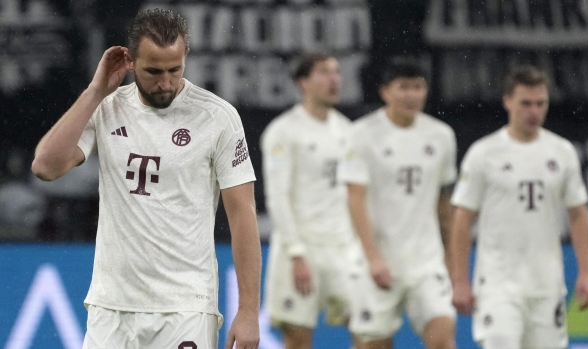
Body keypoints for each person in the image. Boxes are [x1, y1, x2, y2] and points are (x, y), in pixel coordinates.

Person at [31, 9, 261, 349]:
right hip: (112, 306)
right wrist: (96, 91)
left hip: (184, 306)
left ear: (186, 58)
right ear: (130, 60)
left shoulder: (217, 117)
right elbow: (46, 167)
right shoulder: (108, 107)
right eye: (153, 71)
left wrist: (248, 310)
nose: (165, 82)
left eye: (174, 70)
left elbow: (243, 216)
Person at [449, 65, 588, 349]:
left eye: (541, 104)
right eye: (526, 103)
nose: (534, 112)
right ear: (507, 101)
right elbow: (462, 219)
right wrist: (460, 280)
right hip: (497, 284)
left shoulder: (562, 152)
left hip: (546, 285)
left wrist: (586, 273)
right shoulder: (484, 153)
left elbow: (578, 214)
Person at [340, 59, 457, 349]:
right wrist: (373, 257)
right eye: (403, 87)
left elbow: (445, 206)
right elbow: (355, 198)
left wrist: (454, 265)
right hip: (377, 262)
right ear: (385, 92)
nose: (411, 95)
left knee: (443, 338)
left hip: (426, 262)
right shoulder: (362, 134)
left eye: (418, 87)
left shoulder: (441, 136)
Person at [261, 53, 361, 349]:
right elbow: (278, 196)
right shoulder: (284, 131)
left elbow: (356, 194)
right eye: (323, 72)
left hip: (343, 248)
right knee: (298, 339)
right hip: (301, 249)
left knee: (368, 331)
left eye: (337, 72)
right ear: (303, 83)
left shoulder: (348, 131)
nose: (334, 79)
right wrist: (296, 253)